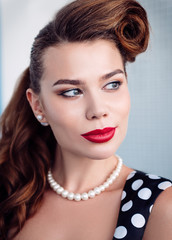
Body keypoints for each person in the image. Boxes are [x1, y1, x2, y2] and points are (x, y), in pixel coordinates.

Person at [0, 0, 172, 239]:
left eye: (112, 84)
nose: (98, 110)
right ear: (38, 106)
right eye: (72, 91)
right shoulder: (10, 193)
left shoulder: (162, 207)